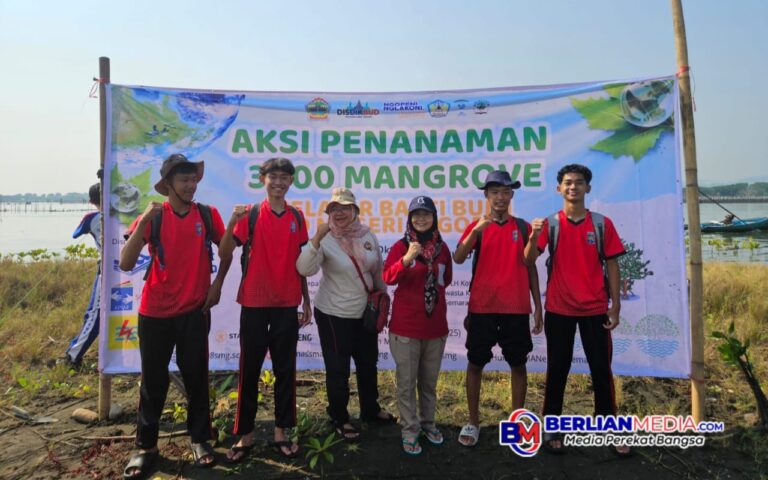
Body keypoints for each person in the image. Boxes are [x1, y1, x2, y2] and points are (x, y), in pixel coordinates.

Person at [120, 153, 230, 478]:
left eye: (194, 179)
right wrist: (142, 225)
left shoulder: (207, 215)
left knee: (197, 377)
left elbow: (226, 250)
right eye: (184, 180)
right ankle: (146, 447)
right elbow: (126, 263)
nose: (191, 185)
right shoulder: (153, 216)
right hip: (154, 313)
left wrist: (218, 285)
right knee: (152, 383)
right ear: (168, 184)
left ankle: (199, 439)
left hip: (195, 311)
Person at [523, 163, 629, 457]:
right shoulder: (550, 224)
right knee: (558, 368)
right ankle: (553, 426)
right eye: (568, 183)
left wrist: (615, 306)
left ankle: (608, 425)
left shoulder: (601, 224)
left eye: (579, 182)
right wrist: (533, 236)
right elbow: (528, 260)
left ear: (587, 188)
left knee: (601, 370)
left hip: (595, 308)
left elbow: (612, 263)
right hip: (559, 308)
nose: (573, 187)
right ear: (559, 188)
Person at [218, 157, 311, 462]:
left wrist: (306, 301)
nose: (279, 182)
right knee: (250, 370)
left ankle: (281, 433)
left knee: (286, 370)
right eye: (274, 176)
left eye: (285, 177)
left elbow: (302, 264)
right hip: (255, 302)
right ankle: (245, 435)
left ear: (291, 182)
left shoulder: (298, 217)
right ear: (263, 179)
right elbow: (225, 250)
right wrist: (232, 220)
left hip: (287, 303)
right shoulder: (251, 214)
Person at [296, 187, 396, 442]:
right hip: (333, 314)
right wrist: (316, 237)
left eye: (345, 207)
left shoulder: (367, 235)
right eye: (334, 208)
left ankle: (370, 410)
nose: (339, 213)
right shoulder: (326, 238)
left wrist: (383, 300)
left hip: (365, 313)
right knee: (338, 368)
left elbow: (377, 272)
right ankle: (339, 417)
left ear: (355, 210)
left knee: (367, 363)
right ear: (329, 212)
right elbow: (304, 268)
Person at [453, 170, 543, 448]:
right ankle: (473, 421)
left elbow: (531, 268)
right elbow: (457, 258)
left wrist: (538, 306)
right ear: (486, 196)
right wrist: (475, 233)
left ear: (512, 195)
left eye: (505, 192)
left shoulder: (525, 227)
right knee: (475, 363)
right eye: (495, 192)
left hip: (516, 307)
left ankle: (516, 421)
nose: (500, 197)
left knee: (518, 363)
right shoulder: (476, 225)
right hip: (482, 306)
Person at [383, 196, 453, 455]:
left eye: (426, 214)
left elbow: (446, 279)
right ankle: (410, 430)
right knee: (406, 383)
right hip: (405, 329)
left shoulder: (443, 249)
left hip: (435, 328)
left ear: (434, 217)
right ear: (409, 219)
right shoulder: (401, 246)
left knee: (428, 383)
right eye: (416, 214)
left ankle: (428, 423)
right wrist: (406, 259)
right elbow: (388, 277)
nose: (421, 219)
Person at [63, 182, 102, 367]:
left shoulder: (91, 218)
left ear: (91, 201)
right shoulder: (128, 215)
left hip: (107, 273)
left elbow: (76, 233)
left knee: (95, 314)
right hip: (135, 268)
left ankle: (73, 355)